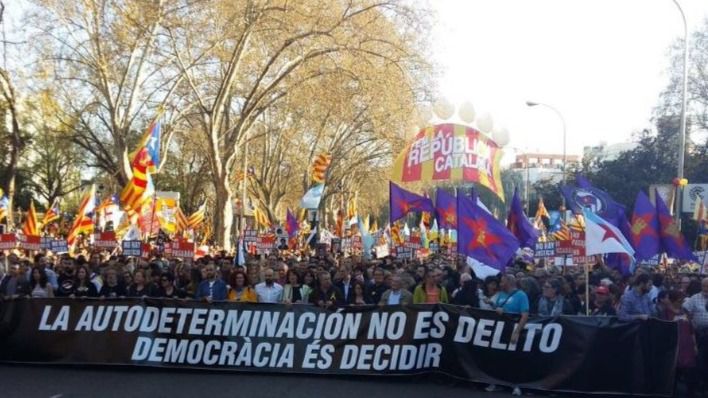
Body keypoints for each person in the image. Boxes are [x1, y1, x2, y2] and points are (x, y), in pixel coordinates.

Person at [487, 275, 529, 396]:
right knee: (498, 357)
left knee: (514, 358)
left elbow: (524, 315)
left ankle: (516, 385)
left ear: (509, 282)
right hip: (500, 330)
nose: (500, 284)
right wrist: (492, 304)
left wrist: (516, 332)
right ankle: (497, 382)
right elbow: (498, 307)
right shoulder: (501, 294)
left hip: (513, 329)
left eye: (502, 282)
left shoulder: (521, 295)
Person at [683, 278, 708, 394]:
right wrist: (690, 321)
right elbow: (685, 308)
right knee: (697, 360)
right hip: (698, 334)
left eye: (707, 286)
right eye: (704, 286)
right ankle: (694, 386)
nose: (706, 289)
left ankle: (704, 385)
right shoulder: (695, 298)